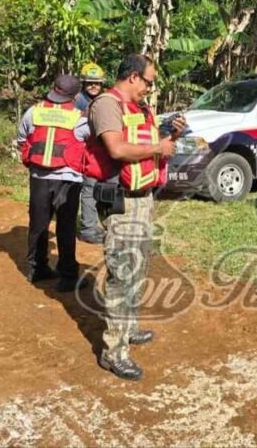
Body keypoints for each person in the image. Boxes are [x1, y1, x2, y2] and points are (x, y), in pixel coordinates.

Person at [85, 54, 185, 381]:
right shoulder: (106, 105)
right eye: (148, 82)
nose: (149, 88)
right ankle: (113, 353)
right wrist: (159, 147)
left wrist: (171, 139)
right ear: (132, 77)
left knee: (138, 268)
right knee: (122, 273)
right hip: (121, 203)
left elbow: (153, 148)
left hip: (143, 199)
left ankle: (128, 329)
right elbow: (116, 149)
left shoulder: (141, 110)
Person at [17, 74, 89, 293]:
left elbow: (22, 140)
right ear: (75, 95)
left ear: (53, 90)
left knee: (38, 223)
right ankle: (67, 277)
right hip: (68, 179)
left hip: (38, 177)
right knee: (66, 227)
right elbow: (91, 143)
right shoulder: (80, 118)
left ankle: (36, 269)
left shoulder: (33, 111)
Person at [76, 62, 106, 245]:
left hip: (98, 153)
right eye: (89, 83)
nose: (94, 86)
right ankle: (88, 228)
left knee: (97, 190)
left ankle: (93, 225)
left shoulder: (102, 99)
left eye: (97, 83)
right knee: (89, 191)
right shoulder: (78, 101)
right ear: (83, 83)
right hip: (84, 153)